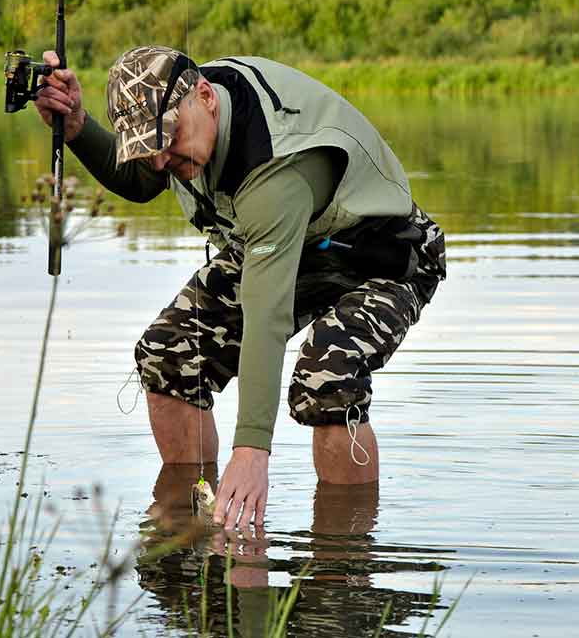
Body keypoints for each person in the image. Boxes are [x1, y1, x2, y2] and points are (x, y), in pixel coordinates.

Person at [33, 46, 446, 530]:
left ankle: (344, 564)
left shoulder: (273, 167)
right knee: (168, 354)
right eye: (151, 148)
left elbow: (266, 316)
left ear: (205, 97)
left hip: (384, 256)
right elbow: (143, 181)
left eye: (168, 141)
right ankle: (195, 526)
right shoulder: (186, 126)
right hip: (278, 244)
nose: (162, 160)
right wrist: (78, 125)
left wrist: (251, 451)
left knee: (327, 374)